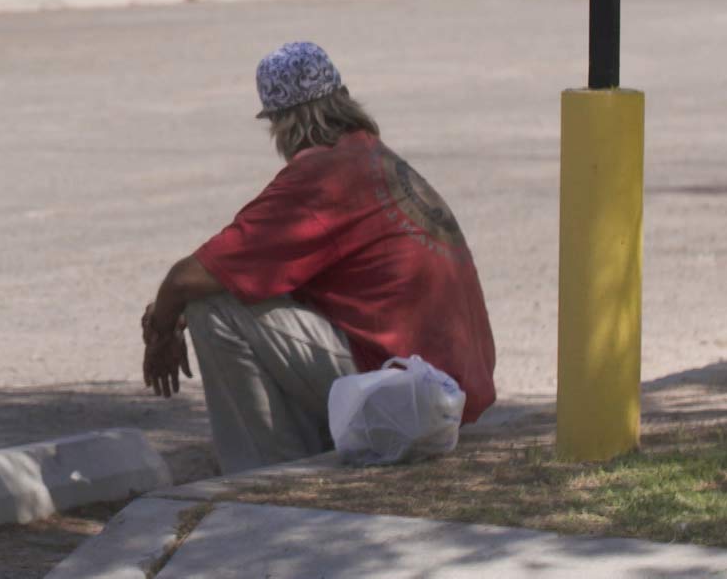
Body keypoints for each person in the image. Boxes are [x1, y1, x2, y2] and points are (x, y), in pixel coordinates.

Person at [140, 41, 497, 475]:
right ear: (343, 97)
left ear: (279, 122)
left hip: (407, 401)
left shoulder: (323, 176)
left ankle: (264, 475)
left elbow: (187, 278)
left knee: (212, 307)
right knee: (241, 292)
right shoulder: (371, 158)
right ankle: (311, 450)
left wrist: (162, 325)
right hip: (438, 392)